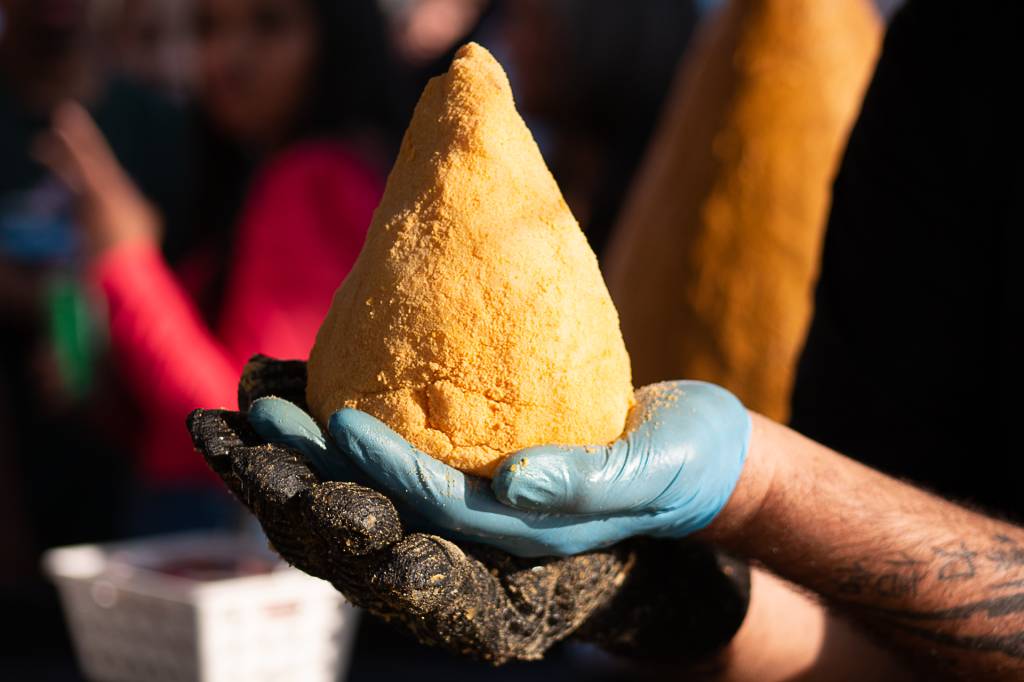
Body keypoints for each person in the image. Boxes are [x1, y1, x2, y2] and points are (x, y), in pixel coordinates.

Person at [237, 0, 1021, 679]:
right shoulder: (954, 62)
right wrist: (653, 598)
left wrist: (763, 485)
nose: (519, 28)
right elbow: (869, 643)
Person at [36, 0, 399, 532]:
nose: (229, 56)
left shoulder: (313, 177)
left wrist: (125, 259)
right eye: (208, 28)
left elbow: (249, 430)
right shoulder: (259, 172)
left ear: (339, 37)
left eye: (269, 24)